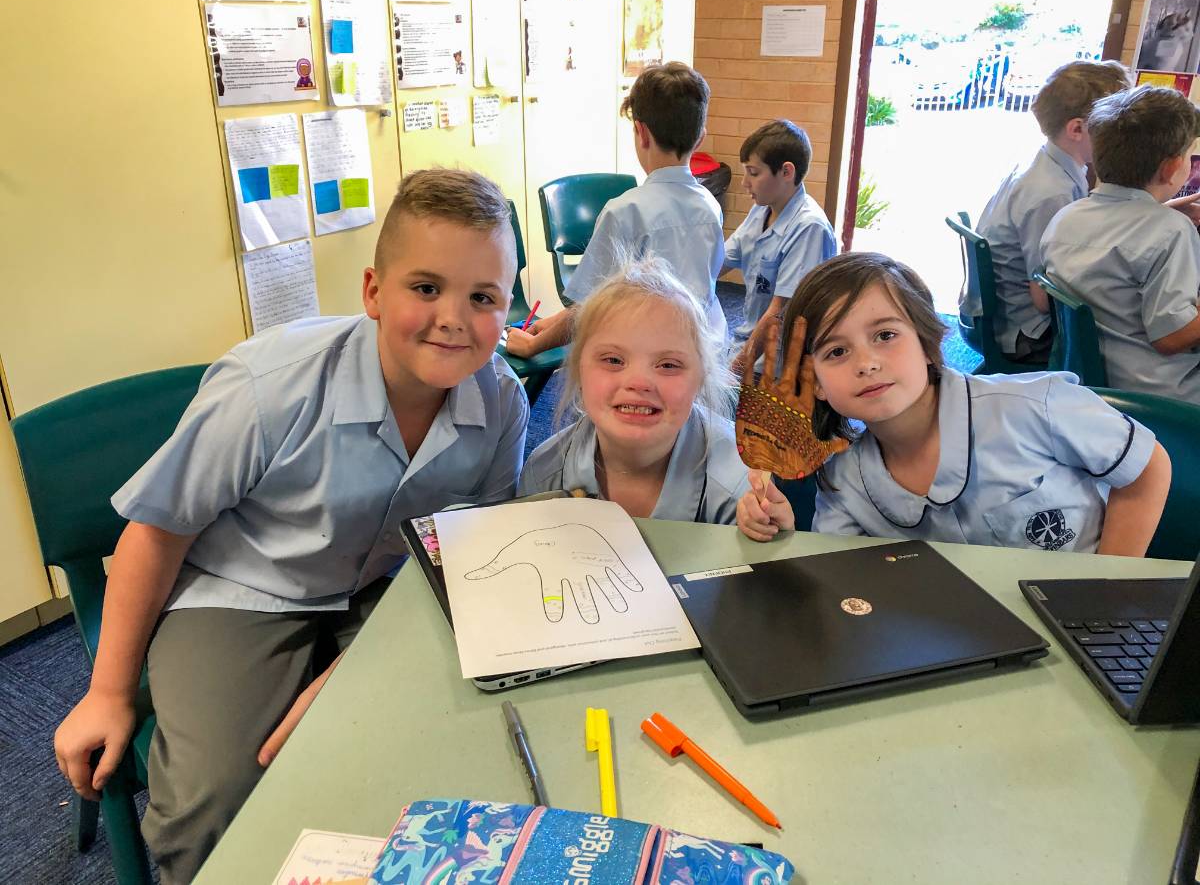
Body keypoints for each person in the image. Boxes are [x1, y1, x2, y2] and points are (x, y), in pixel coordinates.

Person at [52, 169, 529, 883]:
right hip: (236, 587)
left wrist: (352, 670)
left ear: (509, 304)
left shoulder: (503, 404)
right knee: (214, 801)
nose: (454, 318)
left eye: (483, 297)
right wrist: (108, 693)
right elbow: (156, 534)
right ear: (373, 291)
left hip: (381, 586)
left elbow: (471, 549)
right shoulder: (268, 389)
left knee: (455, 745)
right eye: (425, 288)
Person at [737, 252, 1171, 555]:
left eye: (885, 336)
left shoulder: (1031, 406)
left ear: (928, 344)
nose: (866, 364)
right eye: (836, 352)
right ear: (815, 383)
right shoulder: (844, 480)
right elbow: (839, 578)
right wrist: (784, 530)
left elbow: (1148, 466)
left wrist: (1105, 589)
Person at [505, 62, 725, 358]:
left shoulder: (625, 212)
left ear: (641, 133)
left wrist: (533, 345)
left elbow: (589, 311)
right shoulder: (710, 205)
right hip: (706, 351)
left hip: (648, 358)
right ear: (700, 138)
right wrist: (549, 323)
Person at [519, 255, 748, 523]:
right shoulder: (544, 473)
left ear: (700, 379)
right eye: (613, 360)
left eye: (668, 365)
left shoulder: (739, 485)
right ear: (580, 371)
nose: (638, 383)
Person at [964, 60, 1131, 364]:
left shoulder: (1048, 164)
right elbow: (1044, 299)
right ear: (1077, 129)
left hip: (1006, 313)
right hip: (1025, 332)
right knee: (1124, 340)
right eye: (1114, 128)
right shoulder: (1051, 192)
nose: (1123, 138)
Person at [1041, 84, 1200, 403]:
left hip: (1088, 382)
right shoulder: (1171, 231)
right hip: (1162, 396)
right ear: (1171, 168)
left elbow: (1040, 296)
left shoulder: (1066, 216)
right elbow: (1171, 337)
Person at [723, 119, 837, 357]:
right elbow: (718, 263)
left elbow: (778, 314)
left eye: (753, 173)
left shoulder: (809, 228)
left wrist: (735, 372)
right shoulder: (762, 209)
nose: (745, 183)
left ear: (787, 172)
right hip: (745, 340)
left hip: (776, 362)